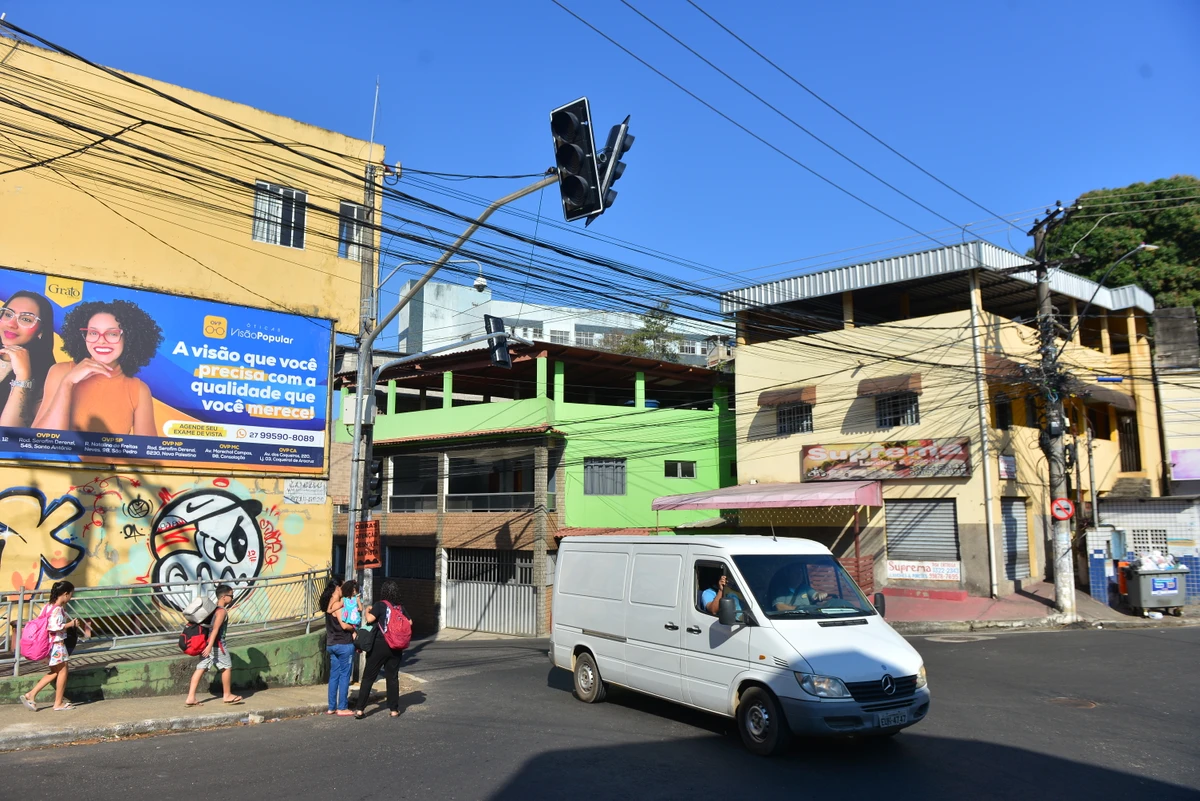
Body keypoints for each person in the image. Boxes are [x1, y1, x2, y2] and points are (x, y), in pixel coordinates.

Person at [34, 299, 162, 436]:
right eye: (93, 333)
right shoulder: (61, 372)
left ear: (129, 337)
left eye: (112, 334)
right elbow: (40, 440)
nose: (101, 340)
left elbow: (148, 451)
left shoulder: (138, 390)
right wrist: (67, 383)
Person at [20, 580, 91, 712]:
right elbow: (53, 627)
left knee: (55, 672)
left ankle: (31, 694)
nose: (71, 597)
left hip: (48, 645)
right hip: (57, 645)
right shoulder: (58, 609)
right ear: (65, 594)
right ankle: (58, 703)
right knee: (63, 671)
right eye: (70, 594)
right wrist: (70, 624)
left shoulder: (48, 606)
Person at [355, 579, 410, 719]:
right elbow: (410, 622)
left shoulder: (380, 605)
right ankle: (394, 710)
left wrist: (368, 610)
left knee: (368, 677)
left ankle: (360, 709)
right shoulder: (400, 608)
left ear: (384, 592)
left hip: (379, 645)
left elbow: (370, 619)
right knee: (392, 678)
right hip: (396, 647)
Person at [0, 291, 56, 428]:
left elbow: (10, 437)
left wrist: (23, 377)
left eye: (26, 319)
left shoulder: (50, 377)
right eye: (8, 314)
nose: (12, 324)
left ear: (40, 331)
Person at [184, 584, 242, 706]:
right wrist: (210, 646)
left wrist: (207, 646)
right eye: (231, 595)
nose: (232, 598)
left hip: (206, 644)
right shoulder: (221, 611)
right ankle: (227, 695)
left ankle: (190, 697)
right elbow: (215, 629)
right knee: (226, 667)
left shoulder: (212, 610)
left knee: (201, 668)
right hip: (217, 644)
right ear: (224, 597)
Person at [321, 576, 355, 716]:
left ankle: (332, 707)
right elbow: (344, 625)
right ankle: (342, 707)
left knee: (334, 676)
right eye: (341, 587)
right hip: (344, 644)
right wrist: (353, 629)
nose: (343, 590)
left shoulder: (328, 605)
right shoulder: (337, 605)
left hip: (332, 643)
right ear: (336, 588)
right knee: (344, 676)